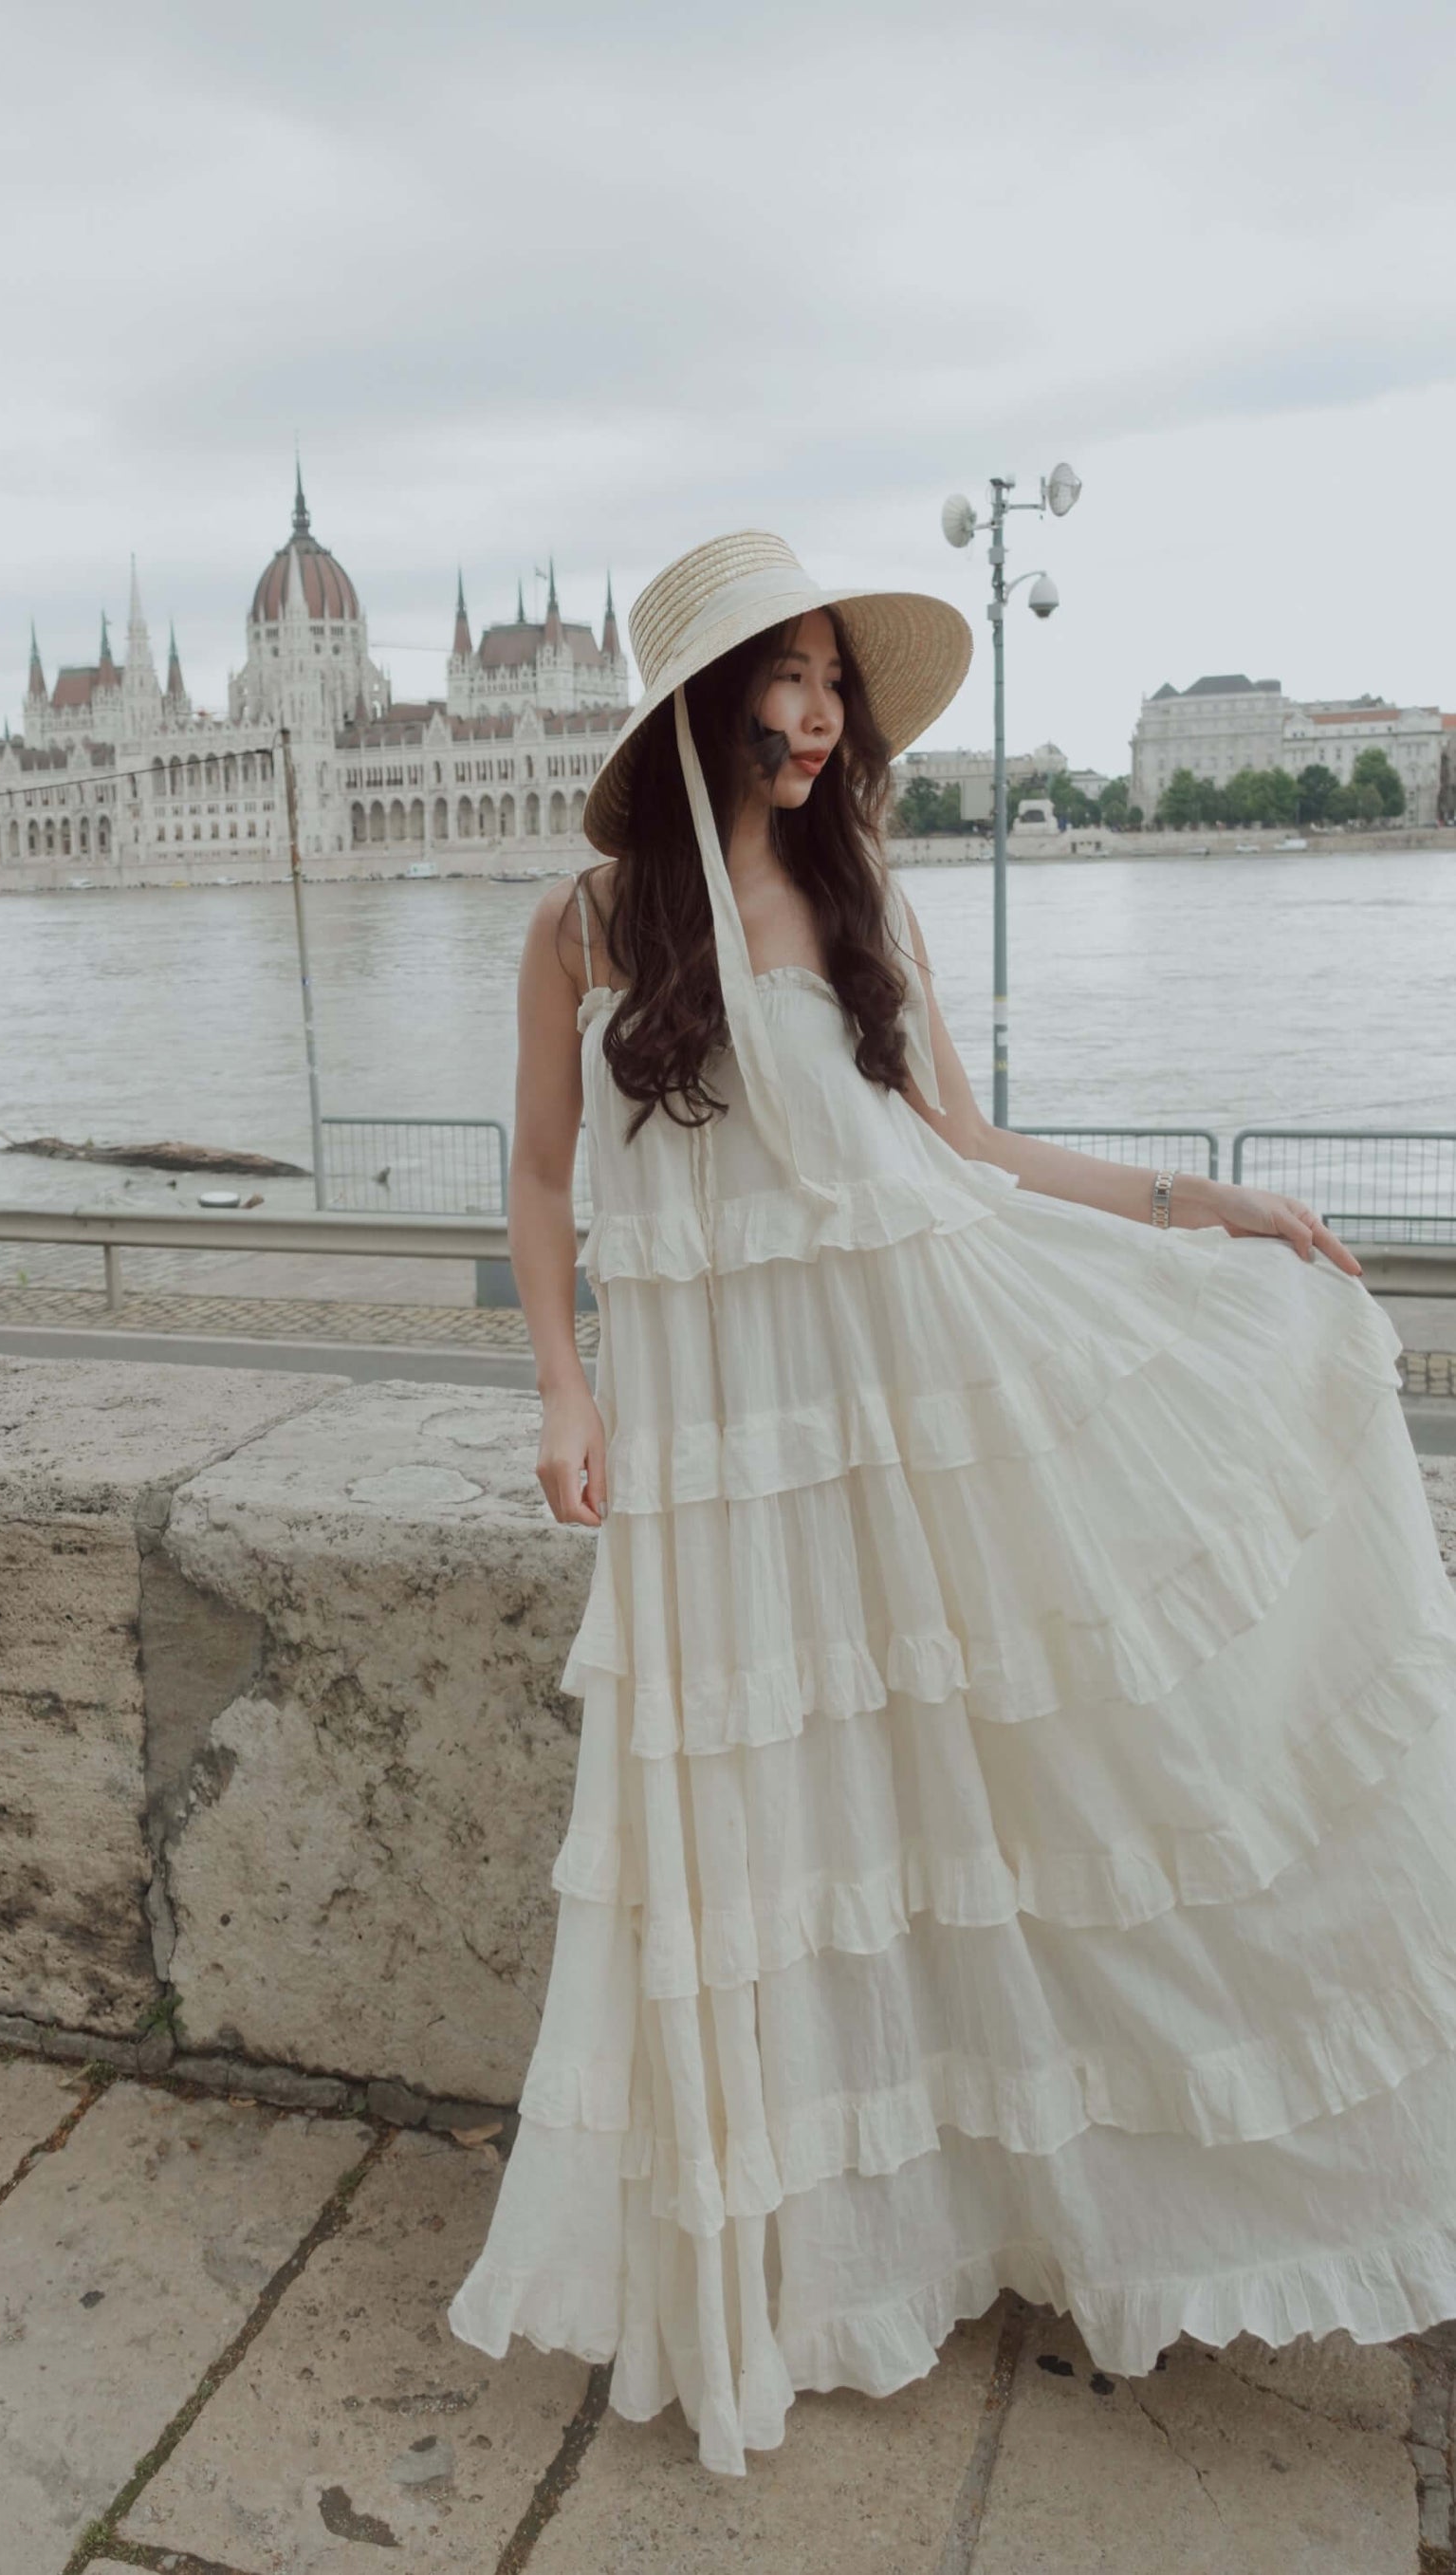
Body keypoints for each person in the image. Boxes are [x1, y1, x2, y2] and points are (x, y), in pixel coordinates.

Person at [445, 528, 1456, 2476]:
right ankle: (804, 2247)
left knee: (1029, 1792)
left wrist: (1212, 1205)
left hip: (916, 1393)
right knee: (762, 1844)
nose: (823, 720)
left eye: (839, 683)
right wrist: (563, 1391)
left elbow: (973, 1152)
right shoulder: (581, 924)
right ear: (704, 695)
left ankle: (1104, 2186)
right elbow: (545, 1182)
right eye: (791, 679)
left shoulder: (860, 901)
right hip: (727, 1456)